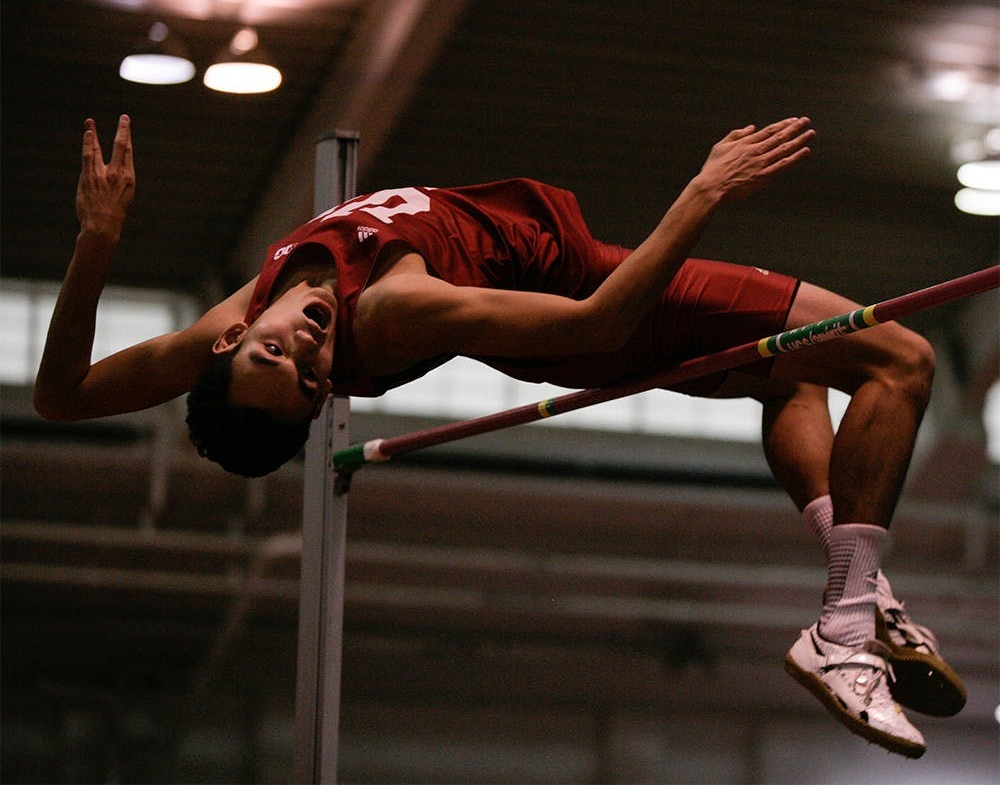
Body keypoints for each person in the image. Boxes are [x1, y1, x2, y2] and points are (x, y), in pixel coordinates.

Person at [34, 113, 966, 758]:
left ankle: (860, 593)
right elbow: (597, 326)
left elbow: (64, 396)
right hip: (597, 302)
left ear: (236, 336)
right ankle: (846, 626)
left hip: (582, 288)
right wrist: (705, 190)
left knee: (802, 374)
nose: (310, 350)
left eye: (279, 355)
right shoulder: (391, 312)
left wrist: (98, 243)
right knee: (901, 358)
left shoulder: (235, 313)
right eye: (312, 381)